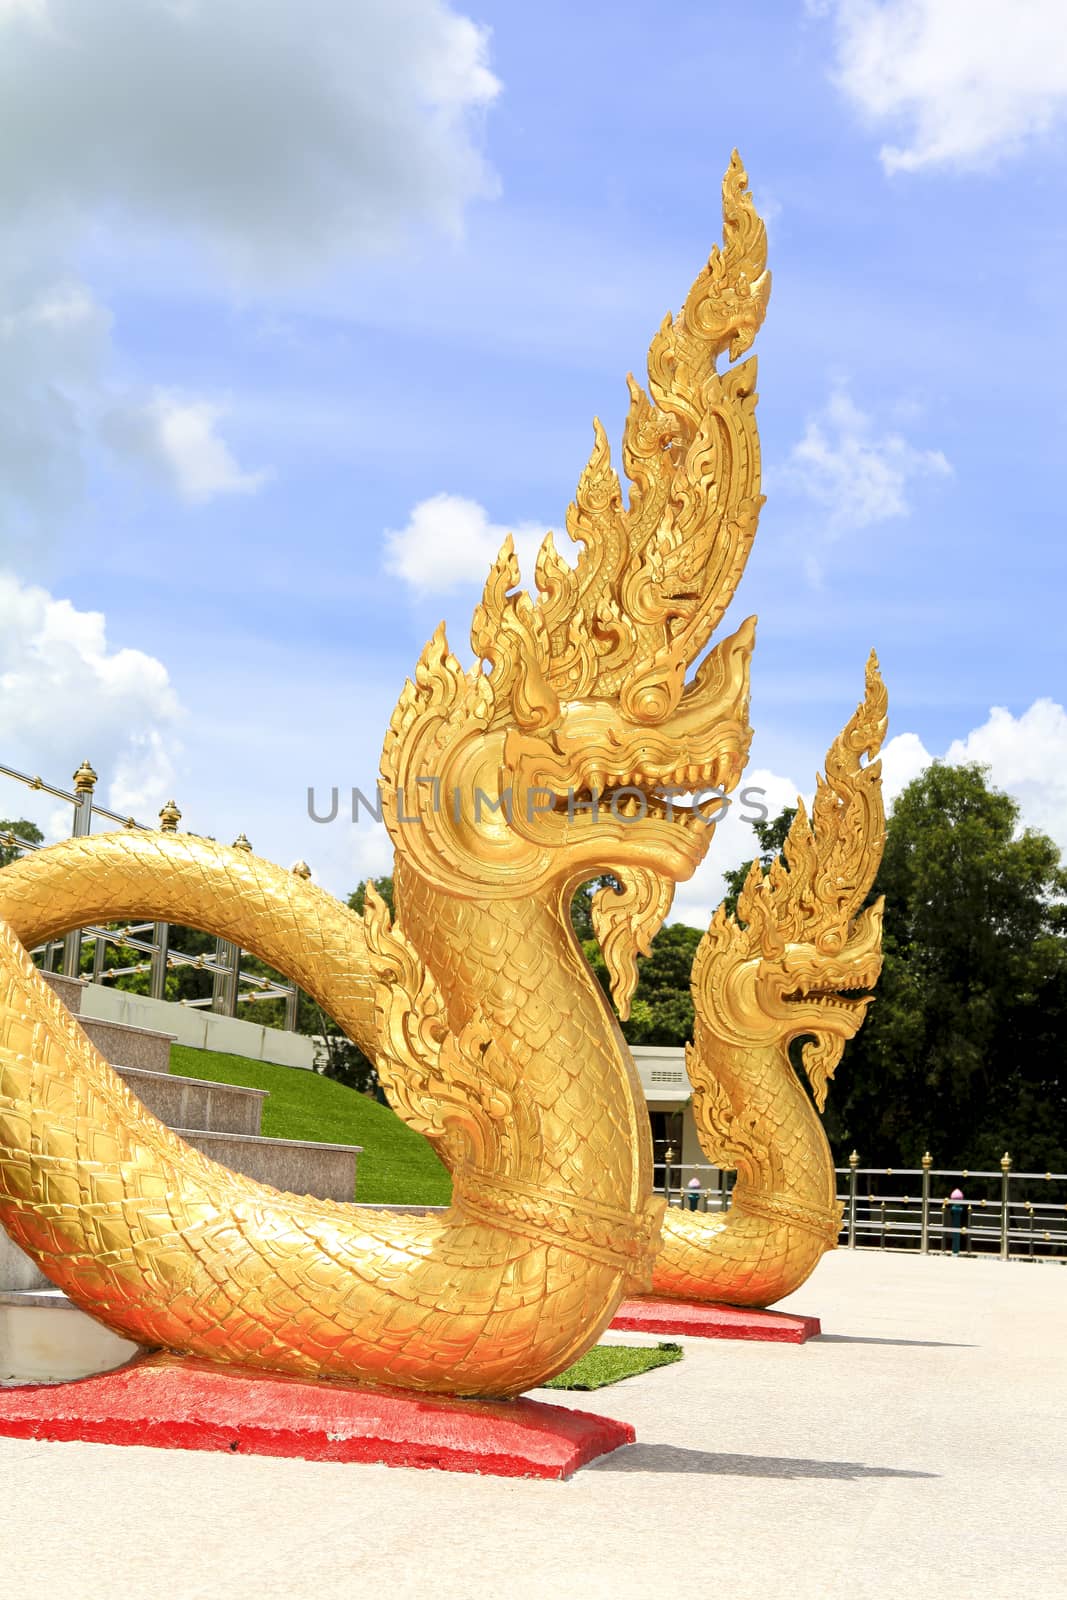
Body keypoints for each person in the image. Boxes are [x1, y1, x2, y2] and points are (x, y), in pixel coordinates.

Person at [948, 1187, 966, 1256]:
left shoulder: (954, 1208)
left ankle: (955, 1251)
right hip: (957, 1223)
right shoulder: (959, 1209)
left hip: (956, 1222)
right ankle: (955, 1250)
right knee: (956, 1235)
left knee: (956, 1235)